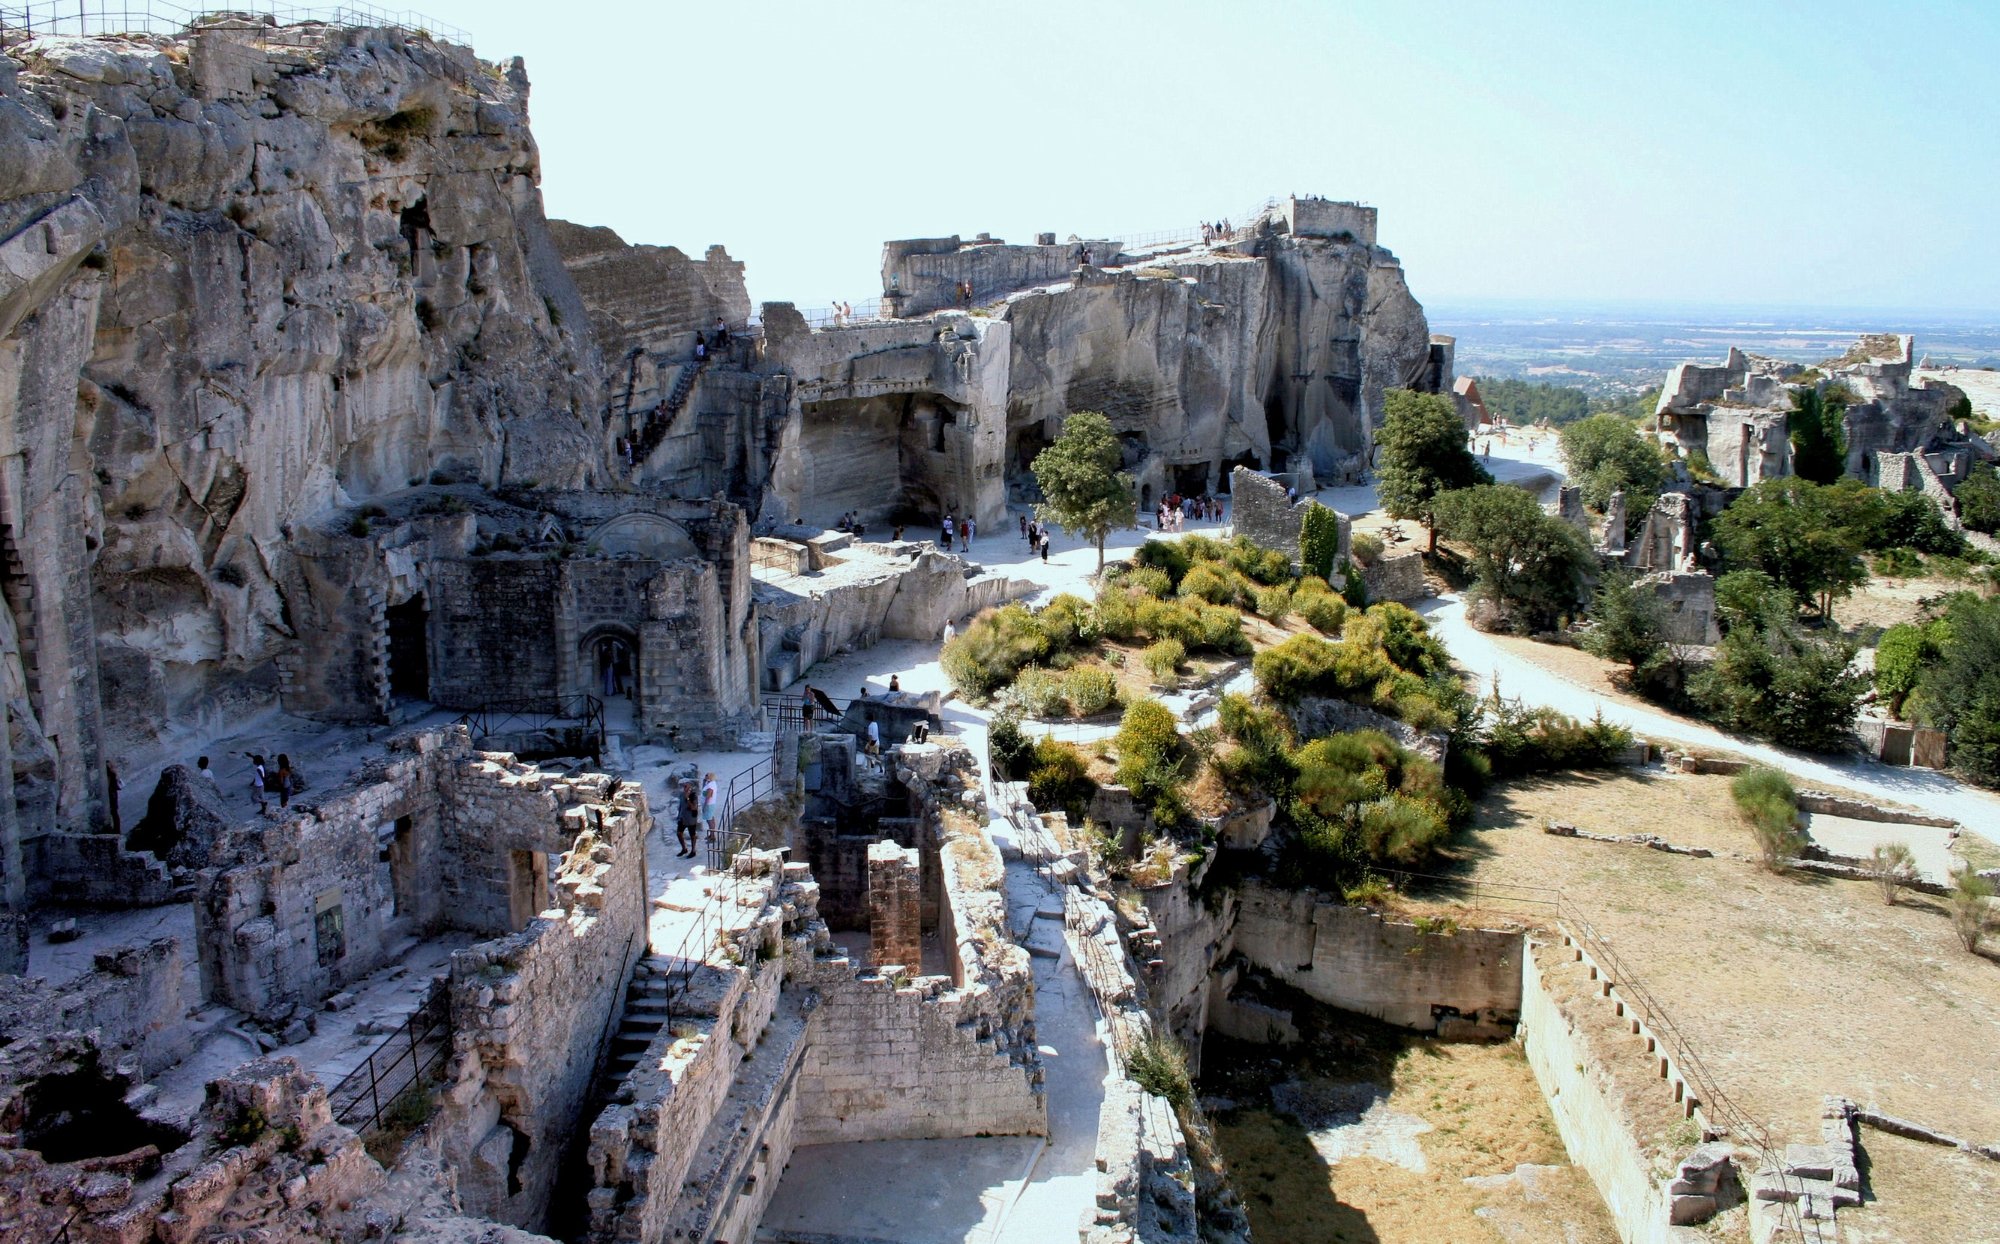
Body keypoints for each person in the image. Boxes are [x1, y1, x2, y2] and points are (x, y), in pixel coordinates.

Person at [675, 779, 700, 858]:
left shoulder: (693, 796)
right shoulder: (682, 795)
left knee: (692, 835)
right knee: (679, 833)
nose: (684, 788)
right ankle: (684, 849)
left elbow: (694, 808)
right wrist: (679, 815)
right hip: (682, 818)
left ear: (690, 787)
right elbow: (681, 806)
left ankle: (693, 851)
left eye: (686, 786)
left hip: (691, 819)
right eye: (684, 786)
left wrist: (688, 799)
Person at [700, 771, 720, 841]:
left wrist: (705, 806)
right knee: (710, 819)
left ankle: (712, 836)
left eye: (706, 775)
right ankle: (711, 834)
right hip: (710, 804)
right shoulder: (710, 783)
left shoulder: (711, 786)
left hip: (709, 805)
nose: (705, 776)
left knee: (709, 820)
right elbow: (704, 791)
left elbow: (708, 796)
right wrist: (704, 781)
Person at [105, 762, 122, 837]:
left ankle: (117, 831)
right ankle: (116, 830)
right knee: (114, 813)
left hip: (112, 795)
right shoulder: (113, 774)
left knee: (114, 812)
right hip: (113, 795)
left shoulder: (112, 775)